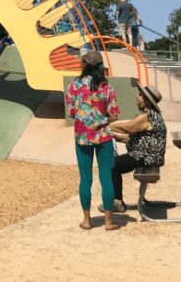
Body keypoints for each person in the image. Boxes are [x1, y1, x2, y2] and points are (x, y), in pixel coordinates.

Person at [64, 50, 120, 230]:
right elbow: (114, 115)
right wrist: (100, 121)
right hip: (103, 136)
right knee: (106, 177)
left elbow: (71, 112)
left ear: (85, 64)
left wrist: (85, 118)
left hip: (82, 136)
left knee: (85, 178)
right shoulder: (106, 87)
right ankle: (109, 222)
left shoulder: (74, 86)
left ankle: (87, 220)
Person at [109, 84, 166, 213]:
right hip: (146, 155)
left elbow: (128, 127)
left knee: (112, 165)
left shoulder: (148, 116)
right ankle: (117, 201)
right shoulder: (150, 115)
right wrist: (117, 137)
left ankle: (117, 202)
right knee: (114, 164)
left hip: (146, 157)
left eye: (140, 94)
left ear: (147, 100)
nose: (137, 96)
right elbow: (136, 137)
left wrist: (104, 126)